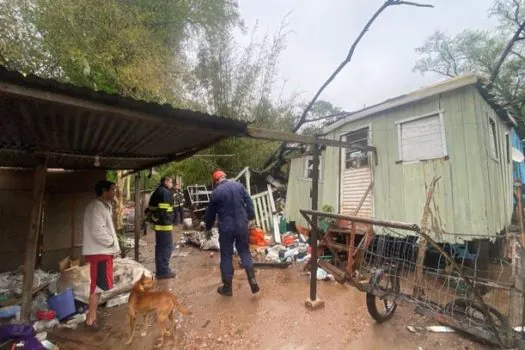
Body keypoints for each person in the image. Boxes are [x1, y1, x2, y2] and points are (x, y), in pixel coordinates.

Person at [203, 170, 259, 296]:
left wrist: (208, 227)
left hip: (226, 228)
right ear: (224, 177)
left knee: (226, 256)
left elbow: (210, 213)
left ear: (216, 181)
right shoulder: (239, 186)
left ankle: (227, 288)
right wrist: (250, 217)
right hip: (241, 226)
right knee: (244, 251)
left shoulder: (216, 193)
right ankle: (253, 280)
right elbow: (249, 202)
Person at [82, 180, 120, 328]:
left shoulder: (103, 206)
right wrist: (111, 243)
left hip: (102, 252)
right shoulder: (96, 207)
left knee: (99, 286)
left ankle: (92, 316)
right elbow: (98, 232)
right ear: (104, 191)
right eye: (112, 190)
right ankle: (91, 320)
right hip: (99, 252)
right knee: (96, 286)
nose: (114, 193)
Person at [148, 176, 176, 279]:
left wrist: (154, 219)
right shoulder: (165, 192)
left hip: (160, 224)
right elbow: (163, 209)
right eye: (171, 182)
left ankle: (161, 269)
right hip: (164, 224)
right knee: (166, 247)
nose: (172, 184)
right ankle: (163, 271)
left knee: (160, 247)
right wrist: (156, 218)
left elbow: (152, 208)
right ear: (166, 182)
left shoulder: (158, 190)